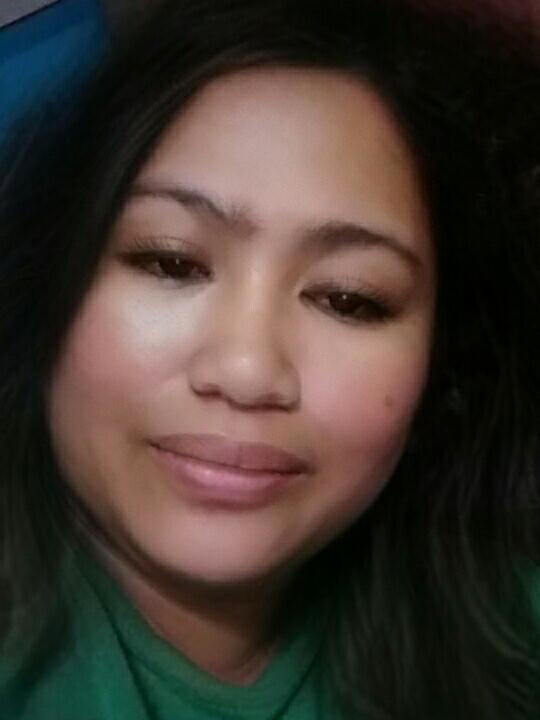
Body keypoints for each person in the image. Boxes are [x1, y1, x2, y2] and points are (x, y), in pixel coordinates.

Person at [1, 0, 540, 717]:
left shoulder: (506, 619)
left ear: (442, 367)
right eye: (171, 262)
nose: (247, 372)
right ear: (49, 286)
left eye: (349, 299)